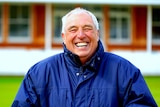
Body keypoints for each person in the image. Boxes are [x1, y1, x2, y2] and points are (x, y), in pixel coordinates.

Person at [12, 7, 157, 107]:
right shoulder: (40, 73)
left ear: (97, 33)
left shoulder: (124, 71)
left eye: (87, 28)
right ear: (64, 37)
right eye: (73, 29)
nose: (81, 35)